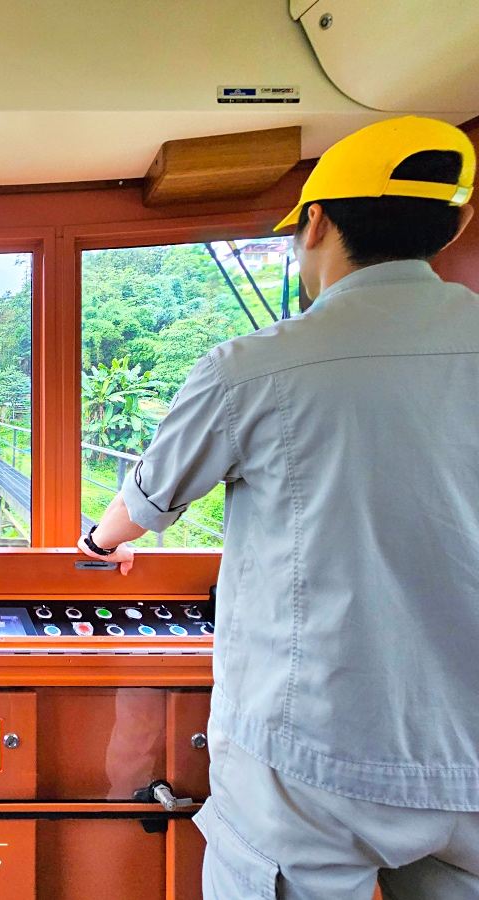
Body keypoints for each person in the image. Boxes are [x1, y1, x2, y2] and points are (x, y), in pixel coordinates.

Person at [78, 116, 479, 899]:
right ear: (455, 223)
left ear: (317, 223)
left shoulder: (254, 367)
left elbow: (147, 500)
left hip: (309, 757)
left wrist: (100, 543)